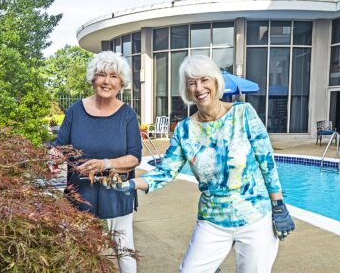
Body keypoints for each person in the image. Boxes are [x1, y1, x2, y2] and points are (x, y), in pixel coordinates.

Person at [112, 55, 295, 272]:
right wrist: (131, 184)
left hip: (255, 217)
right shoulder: (184, 130)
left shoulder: (243, 114)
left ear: (216, 81)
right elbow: (165, 172)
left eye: (204, 80)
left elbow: (266, 161)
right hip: (212, 220)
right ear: (187, 90)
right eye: (192, 83)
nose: (199, 88)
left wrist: (278, 205)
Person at [52, 51, 141, 273]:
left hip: (116, 190)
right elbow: (60, 147)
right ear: (93, 78)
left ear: (121, 83)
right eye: (101, 74)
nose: (106, 81)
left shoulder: (127, 115)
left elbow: (134, 157)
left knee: (125, 250)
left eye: (113, 76)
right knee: (76, 249)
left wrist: (105, 164)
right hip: (79, 192)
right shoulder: (75, 110)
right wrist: (54, 156)